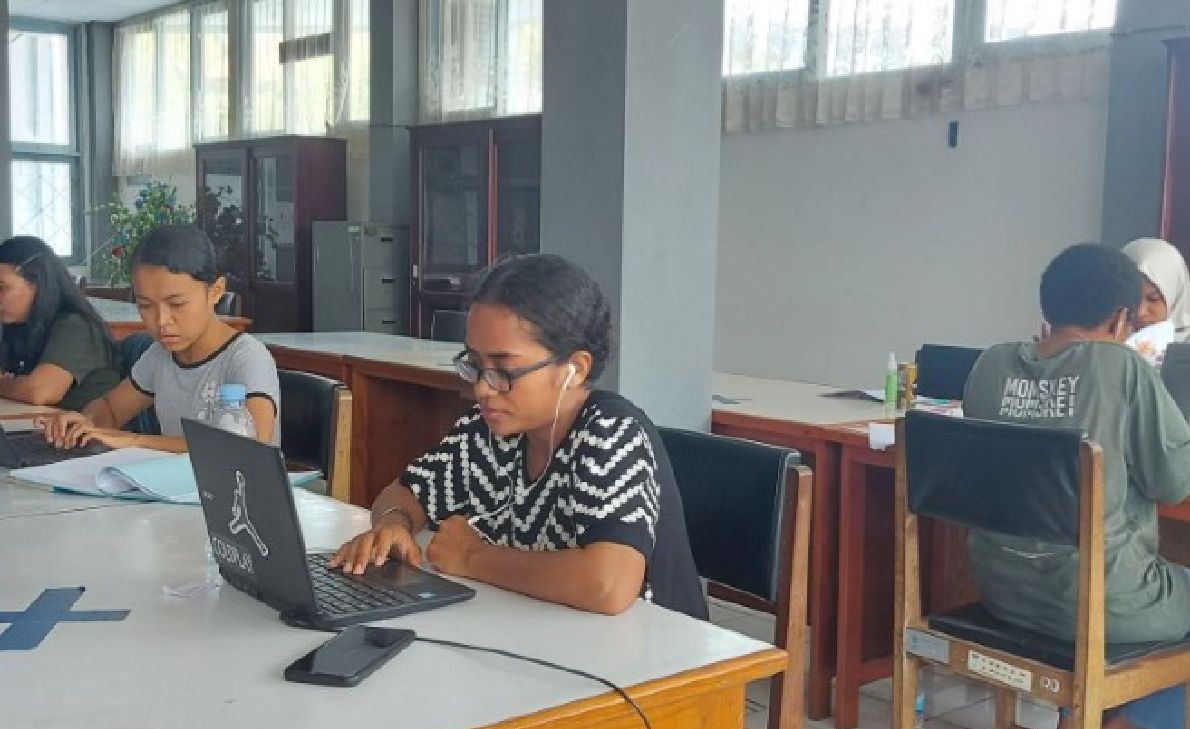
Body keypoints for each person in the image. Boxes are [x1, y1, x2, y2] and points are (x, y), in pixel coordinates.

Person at [329, 254, 708, 619]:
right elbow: (405, 492)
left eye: (504, 370)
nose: (482, 388)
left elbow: (608, 584)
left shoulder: (610, 433)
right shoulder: (489, 431)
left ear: (574, 369)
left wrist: (473, 558)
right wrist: (394, 525)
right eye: (474, 365)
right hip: (551, 632)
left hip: (661, 652)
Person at [962, 243, 1190, 729]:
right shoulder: (1122, 367)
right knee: (1127, 584)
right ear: (1119, 320)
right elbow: (1175, 483)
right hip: (1088, 601)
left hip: (1002, 588)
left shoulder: (990, 365)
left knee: (1088, 567)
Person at [39, 224, 279, 452]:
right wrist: (85, 422)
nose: (162, 320)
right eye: (145, 306)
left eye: (177, 304)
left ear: (215, 291)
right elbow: (111, 409)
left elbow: (246, 448)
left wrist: (134, 440)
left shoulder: (247, 357)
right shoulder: (161, 355)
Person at [0, 236, 120, 410]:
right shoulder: (21, 325)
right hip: (44, 421)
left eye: (2, 288)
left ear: (37, 283)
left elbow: (40, 391)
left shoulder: (76, 325)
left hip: (90, 425)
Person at [1123, 237, 1190, 342]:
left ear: (1174, 295)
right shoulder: (1109, 341)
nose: (1140, 312)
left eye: (1153, 299)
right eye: (1132, 298)